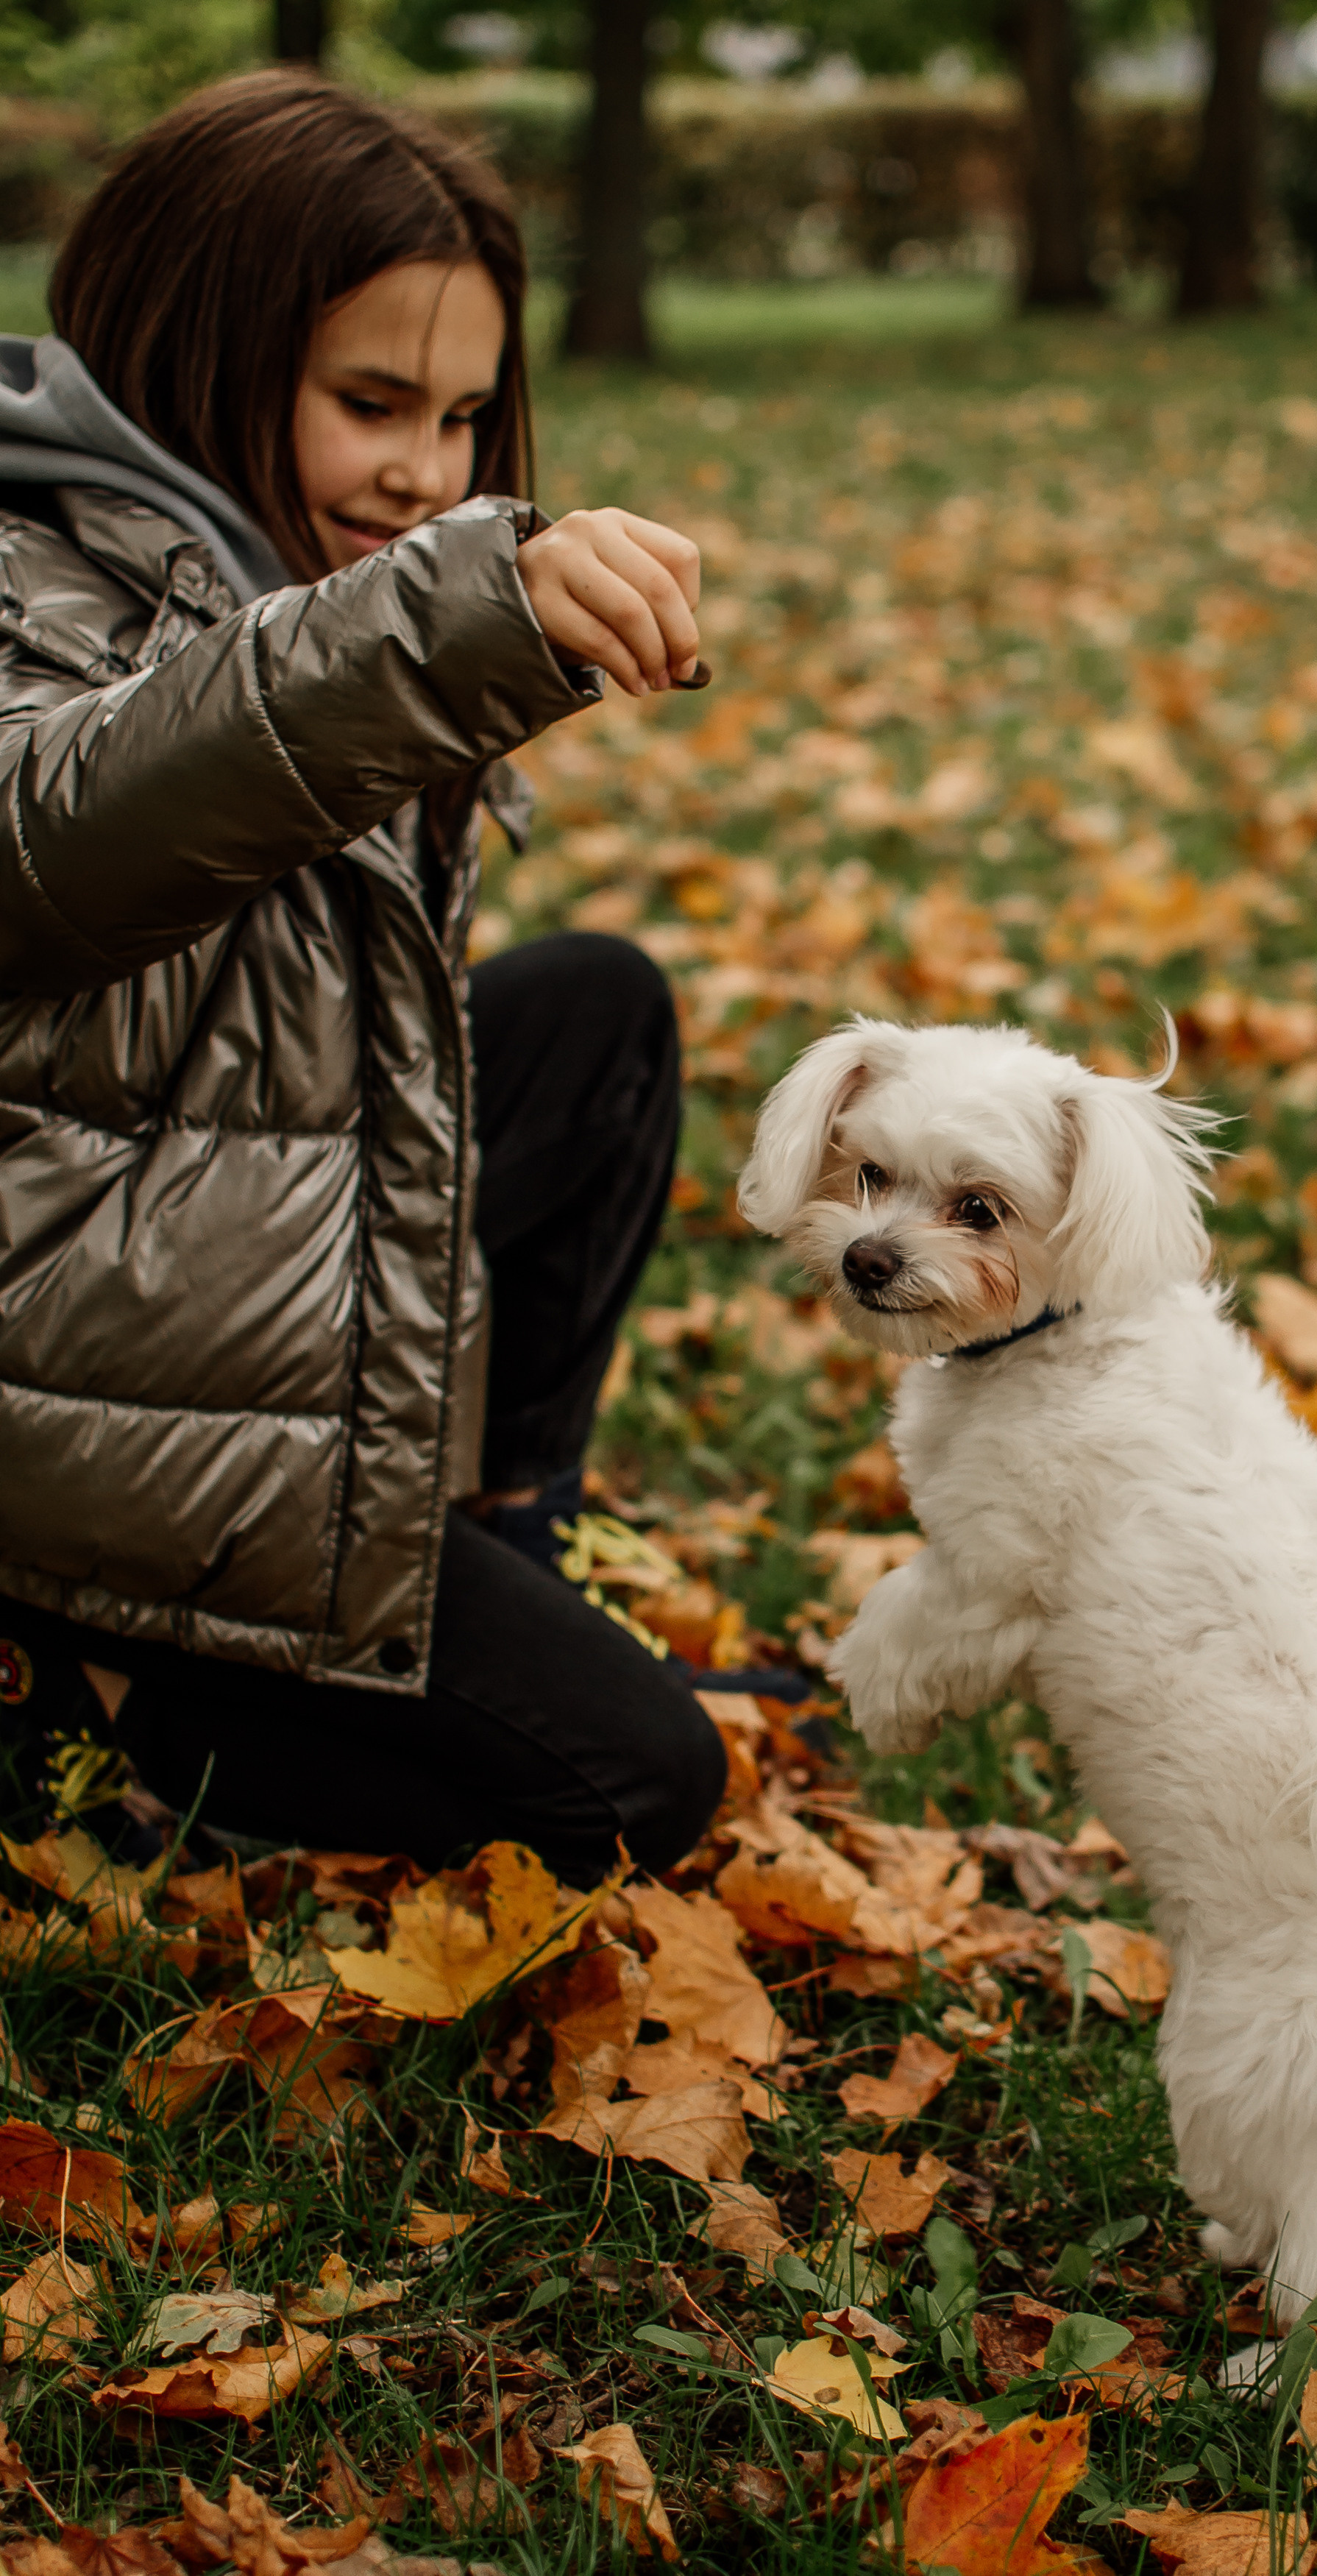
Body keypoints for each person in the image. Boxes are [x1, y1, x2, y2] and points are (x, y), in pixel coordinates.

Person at [0, 68, 728, 1885]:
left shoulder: (302, 577)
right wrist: (450, 617)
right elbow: (60, 839)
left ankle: (497, 1526)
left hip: (192, 1278)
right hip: (57, 1395)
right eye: (369, 402)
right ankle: (88, 1698)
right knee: (635, 1787)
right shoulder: (26, 556)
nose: (427, 471)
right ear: (194, 347)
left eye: (468, 418)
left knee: (594, 1012)